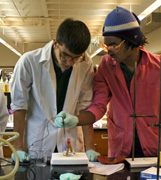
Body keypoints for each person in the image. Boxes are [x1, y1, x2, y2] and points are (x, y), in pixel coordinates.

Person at [55, 7, 161, 158]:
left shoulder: (157, 67)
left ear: (131, 40)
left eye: (113, 45)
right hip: (121, 148)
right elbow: (99, 105)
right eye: (106, 45)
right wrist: (76, 119)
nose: (108, 51)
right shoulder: (106, 65)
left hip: (154, 148)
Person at [11, 18, 100, 163]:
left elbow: (85, 106)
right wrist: (18, 148)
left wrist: (90, 147)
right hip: (38, 143)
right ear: (55, 43)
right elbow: (19, 107)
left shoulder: (86, 63)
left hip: (70, 143)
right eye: (64, 55)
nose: (69, 62)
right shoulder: (29, 62)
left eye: (75, 58)